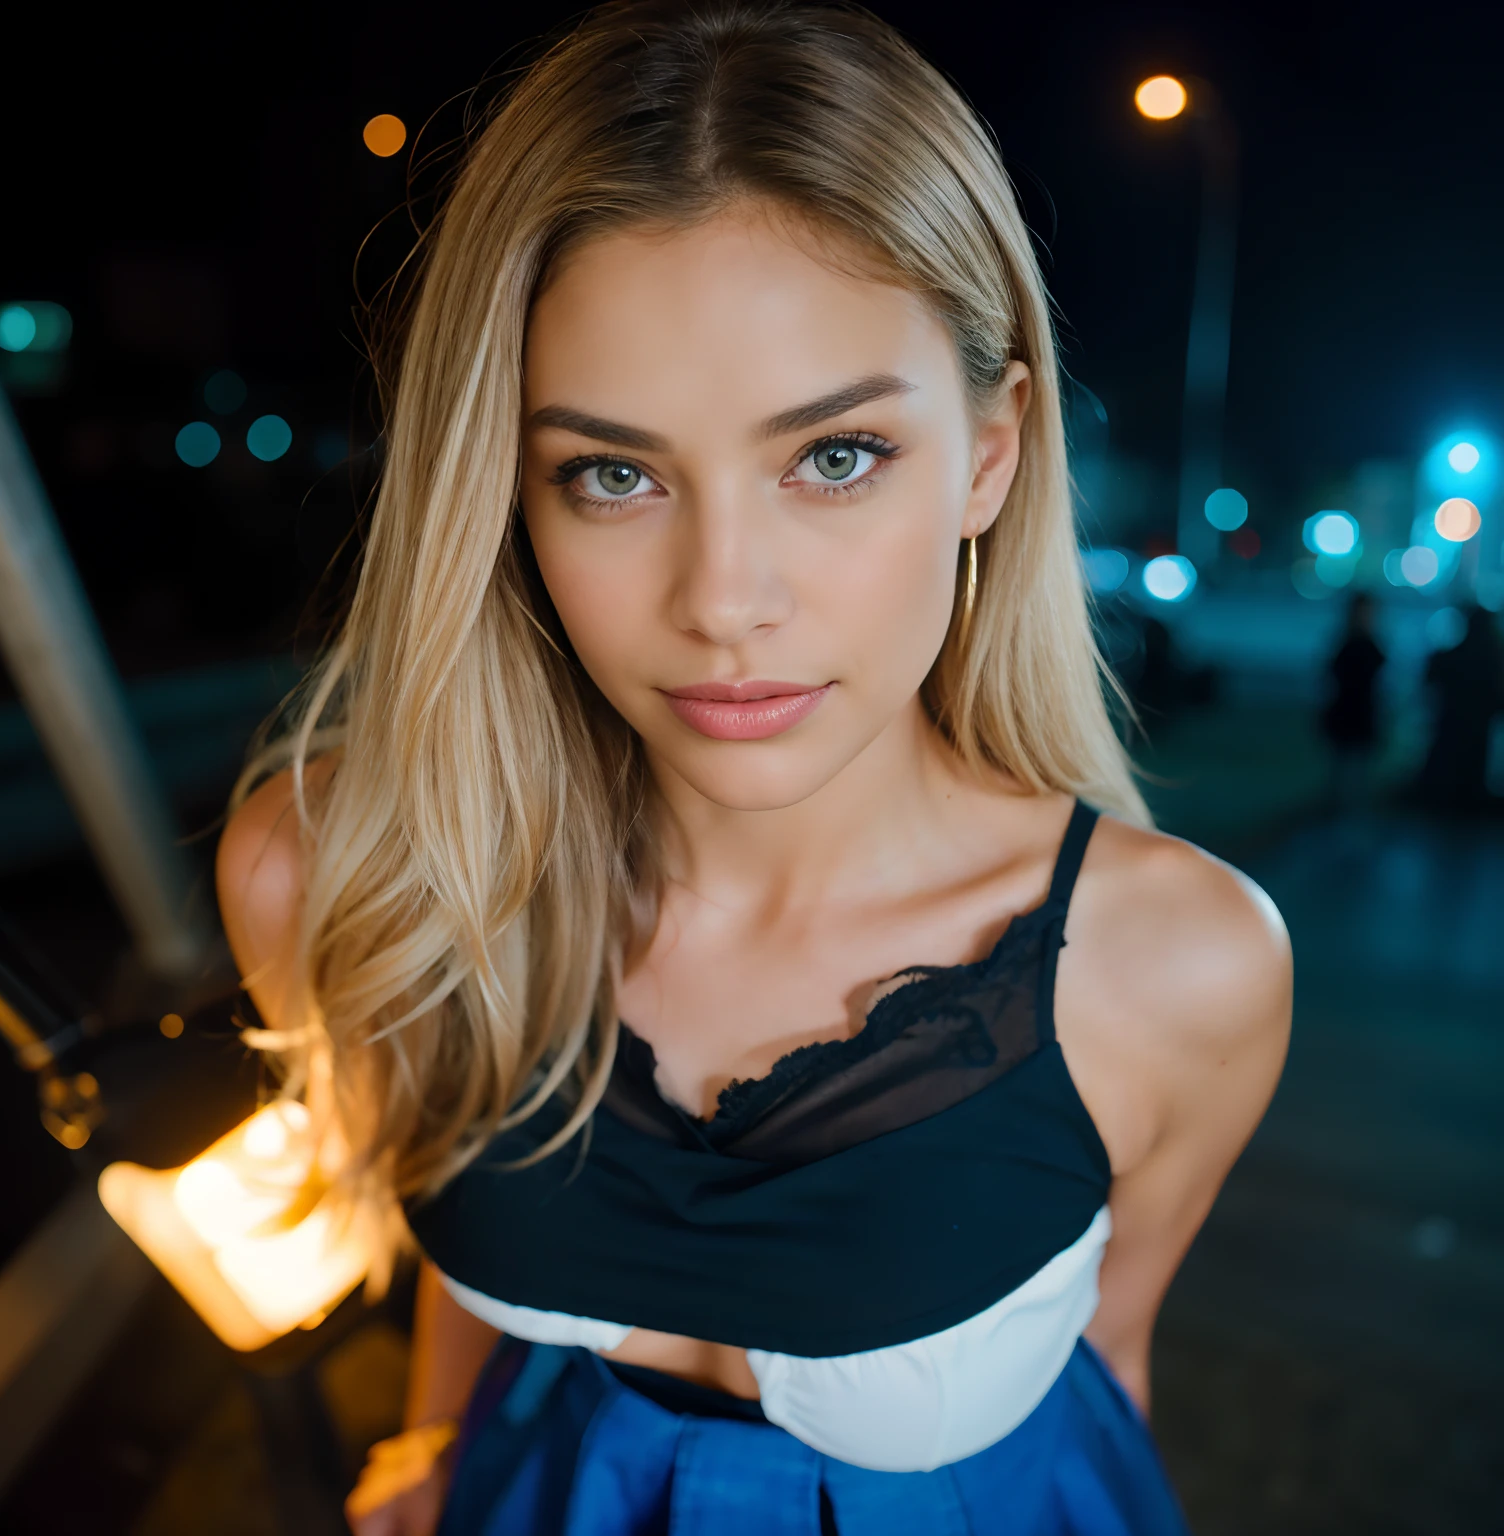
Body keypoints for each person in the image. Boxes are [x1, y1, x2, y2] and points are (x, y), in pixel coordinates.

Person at [216, 4, 1292, 1531]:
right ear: (502, 495)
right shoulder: (346, 880)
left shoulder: (1178, 968)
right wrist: (433, 1442)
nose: (725, 599)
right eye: (612, 474)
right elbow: (454, 1238)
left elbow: (1103, 1367)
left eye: (835, 457)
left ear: (990, 452)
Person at [1417, 606, 1504, 811]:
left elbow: (1431, 677)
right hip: (1479, 729)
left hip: (1450, 726)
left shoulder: (1453, 655)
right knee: (1473, 771)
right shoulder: (1492, 659)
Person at [1321, 593, 1385, 811]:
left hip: (1359, 714)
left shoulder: (1365, 645)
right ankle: (1342, 808)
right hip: (1349, 713)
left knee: (1356, 768)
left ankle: (1348, 807)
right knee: (1346, 767)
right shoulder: (1353, 645)